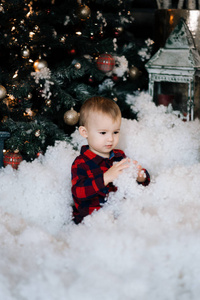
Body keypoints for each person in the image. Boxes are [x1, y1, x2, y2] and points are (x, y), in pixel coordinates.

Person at [71, 96, 150, 224]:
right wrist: (106, 177)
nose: (110, 139)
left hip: (119, 217)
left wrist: (140, 177)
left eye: (115, 132)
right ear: (85, 132)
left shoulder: (119, 156)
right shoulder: (81, 163)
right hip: (92, 221)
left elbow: (135, 182)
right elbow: (79, 192)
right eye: (103, 133)